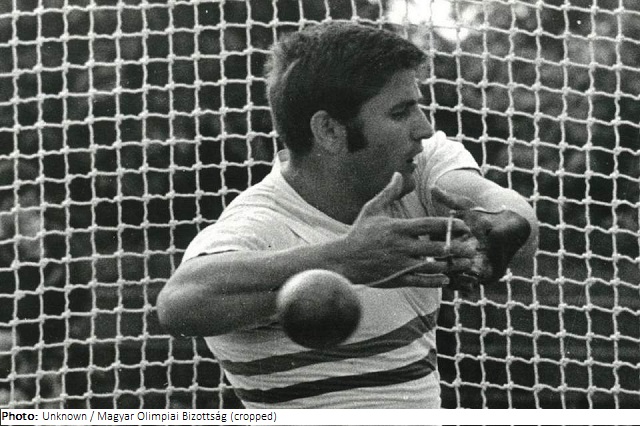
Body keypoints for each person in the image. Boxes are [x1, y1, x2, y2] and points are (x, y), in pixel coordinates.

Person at [157, 21, 538, 409]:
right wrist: (345, 259)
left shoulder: (416, 169)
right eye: (400, 112)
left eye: (417, 106)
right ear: (329, 130)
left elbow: (504, 212)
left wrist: (505, 225)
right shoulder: (259, 224)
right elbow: (176, 303)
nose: (424, 128)